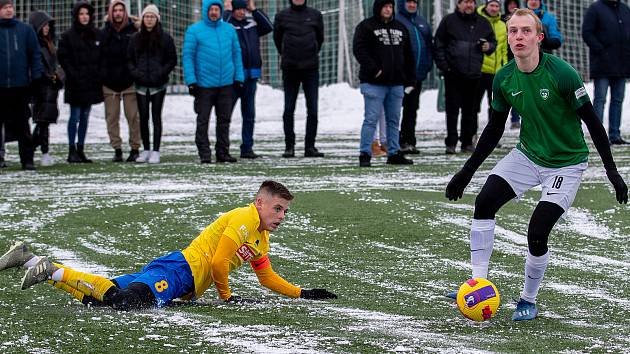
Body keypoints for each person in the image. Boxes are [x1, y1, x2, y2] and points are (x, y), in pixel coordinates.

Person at [445, 9, 628, 321]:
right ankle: (478, 283)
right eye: (513, 30)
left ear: (539, 37)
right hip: (527, 155)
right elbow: (493, 129)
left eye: (526, 31)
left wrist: (612, 172)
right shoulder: (503, 78)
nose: (519, 36)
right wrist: (466, 171)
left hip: (566, 164)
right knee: (485, 201)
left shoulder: (562, 74)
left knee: (537, 230)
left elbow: (594, 124)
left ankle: (528, 299)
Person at [3, 181, 338, 310]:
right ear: (259, 203)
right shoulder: (246, 217)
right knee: (126, 303)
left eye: (285, 211)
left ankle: (31, 260)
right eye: (277, 208)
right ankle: (52, 270)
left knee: (110, 298)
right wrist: (226, 297)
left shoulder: (260, 238)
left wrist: (302, 293)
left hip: (179, 272)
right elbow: (220, 262)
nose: (281, 215)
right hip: (181, 271)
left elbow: (266, 278)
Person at [353, 0, 415, 167]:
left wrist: (410, 77)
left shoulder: (400, 27)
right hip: (373, 82)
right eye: (385, 6)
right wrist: (375, 69)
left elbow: (408, 54)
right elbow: (359, 50)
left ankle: (393, 152)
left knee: (393, 120)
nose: (388, 10)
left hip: (396, 83)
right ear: (378, 8)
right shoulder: (366, 27)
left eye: (390, 7)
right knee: (371, 119)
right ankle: (365, 153)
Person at [184, 0, 244, 164]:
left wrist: (239, 77)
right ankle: (204, 153)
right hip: (204, 85)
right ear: (206, 11)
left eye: (217, 9)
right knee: (203, 120)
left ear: (220, 11)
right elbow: (188, 57)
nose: (214, 12)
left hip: (226, 84)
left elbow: (236, 54)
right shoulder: (194, 31)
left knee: (224, 120)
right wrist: (191, 81)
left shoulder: (229, 30)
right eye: (211, 9)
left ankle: (222, 152)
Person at [434, 0, 496, 154]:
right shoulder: (449, 21)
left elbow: (492, 42)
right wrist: (445, 66)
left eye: (471, 2)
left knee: (470, 110)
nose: (469, 5)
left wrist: (488, 46)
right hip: (453, 74)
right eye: (465, 2)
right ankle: (451, 143)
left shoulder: (483, 22)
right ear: (458, 4)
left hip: (474, 74)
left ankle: (467, 142)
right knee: (452, 110)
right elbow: (438, 44)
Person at [273, 0, 325, 158]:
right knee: (288, 109)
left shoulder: (315, 15)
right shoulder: (282, 16)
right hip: (290, 68)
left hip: (310, 68)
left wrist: (311, 52)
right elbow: (277, 39)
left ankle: (310, 146)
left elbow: (320, 39)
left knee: (313, 109)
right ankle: (289, 146)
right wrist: (287, 55)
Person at [127, 4, 177, 164]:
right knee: (143, 117)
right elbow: (129, 61)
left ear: (157, 19)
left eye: (152, 17)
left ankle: (156, 150)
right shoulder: (135, 38)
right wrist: (137, 74)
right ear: (143, 19)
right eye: (146, 16)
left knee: (156, 117)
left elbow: (172, 60)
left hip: (158, 85)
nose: (149, 19)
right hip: (141, 85)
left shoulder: (166, 38)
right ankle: (146, 149)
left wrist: (161, 73)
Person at [224, 0, 273, 159]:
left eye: (243, 9)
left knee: (249, 114)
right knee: (226, 115)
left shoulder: (252, 24)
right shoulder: (228, 24)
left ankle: (247, 148)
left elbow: (268, 26)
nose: (241, 12)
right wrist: (227, 11)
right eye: (238, 9)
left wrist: (255, 9)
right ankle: (223, 148)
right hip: (233, 78)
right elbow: (221, 27)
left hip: (251, 76)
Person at [58, 1, 104, 163]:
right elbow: (63, 57)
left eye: (87, 14)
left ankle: (81, 149)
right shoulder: (68, 36)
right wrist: (73, 74)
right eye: (81, 14)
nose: (84, 17)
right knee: (75, 116)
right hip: (75, 83)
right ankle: (71, 150)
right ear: (76, 16)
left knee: (85, 116)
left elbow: (102, 58)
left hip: (91, 83)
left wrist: (98, 74)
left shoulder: (97, 34)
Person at [0, 0, 41, 170]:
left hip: (20, 86)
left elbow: (35, 55)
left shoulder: (25, 30)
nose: (9, 10)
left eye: (10, 7)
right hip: (0, 86)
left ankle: (27, 159)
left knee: (23, 125)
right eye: (4, 8)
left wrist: (36, 77)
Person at [582, 0, 630, 145]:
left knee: (617, 100)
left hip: (622, 65)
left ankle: (615, 135)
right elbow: (587, 33)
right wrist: (601, 50)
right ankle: (598, 135)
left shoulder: (625, 9)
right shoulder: (595, 8)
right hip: (602, 65)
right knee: (600, 99)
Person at [102, 0, 141, 162]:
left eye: (120, 10)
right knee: (112, 118)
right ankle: (117, 149)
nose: (118, 13)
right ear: (111, 13)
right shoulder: (104, 32)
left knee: (133, 116)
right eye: (115, 10)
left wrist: (135, 74)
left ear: (125, 13)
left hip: (129, 82)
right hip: (109, 84)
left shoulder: (134, 31)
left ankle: (135, 148)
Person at [395, 0, 433, 155]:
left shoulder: (422, 22)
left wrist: (427, 65)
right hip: (399, 77)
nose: (412, 5)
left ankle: (409, 141)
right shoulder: (396, 21)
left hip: (417, 76)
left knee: (411, 110)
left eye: (414, 2)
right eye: (408, 2)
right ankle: (393, 141)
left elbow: (429, 47)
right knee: (395, 111)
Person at [29, 10, 63, 167]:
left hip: (50, 88)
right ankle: (39, 150)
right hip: (42, 88)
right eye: (44, 24)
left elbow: (55, 65)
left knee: (44, 122)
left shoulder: (49, 43)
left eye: (49, 24)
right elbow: (38, 67)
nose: (47, 27)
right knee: (42, 121)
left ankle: (40, 151)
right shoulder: (35, 44)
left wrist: (58, 77)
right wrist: (52, 77)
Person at [473, 0, 507, 126]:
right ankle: (471, 134)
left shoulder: (503, 25)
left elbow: (504, 50)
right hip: (479, 71)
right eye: (491, 5)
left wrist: (504, 67)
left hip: (496, 72)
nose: (494, 8)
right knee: (474, 105)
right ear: (486, 6)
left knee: (494, 106)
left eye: (497, 6)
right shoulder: (477, 21)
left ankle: (492, 134)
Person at [502, 0, 522, 129]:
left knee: (517, 89)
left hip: (518, 59)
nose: (512, 7)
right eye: (510, 5)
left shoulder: (522, 20)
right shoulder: (501, 21)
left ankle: (516, 118)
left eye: (514, 5)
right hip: (503, 61)